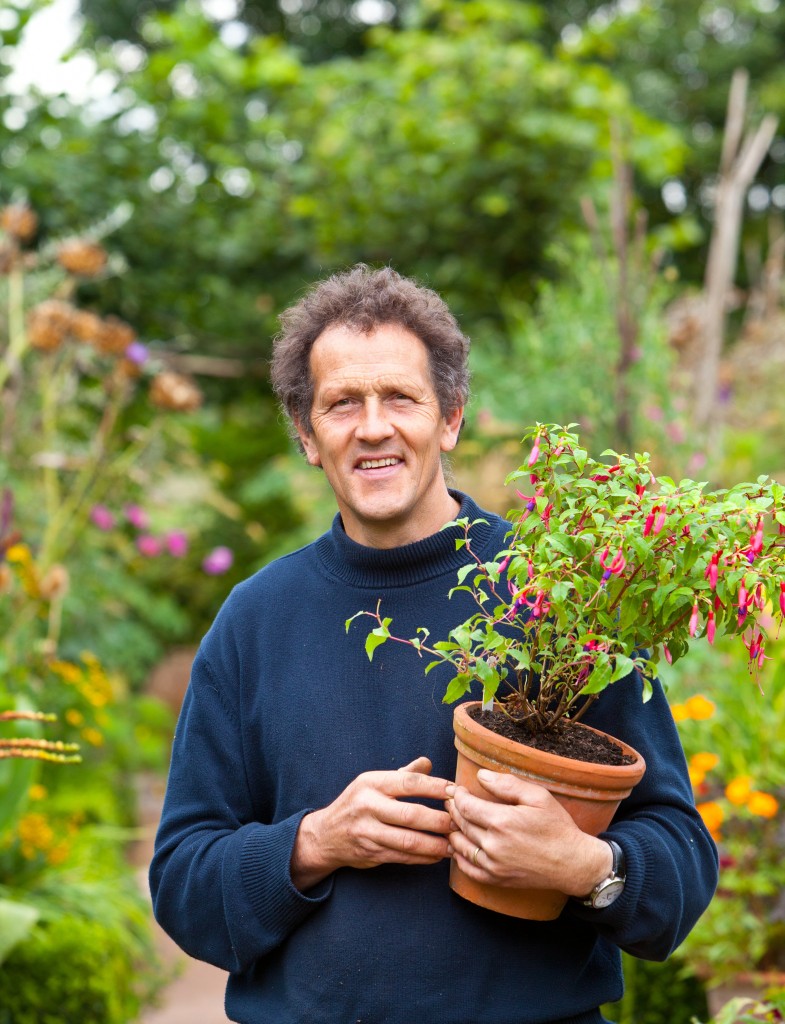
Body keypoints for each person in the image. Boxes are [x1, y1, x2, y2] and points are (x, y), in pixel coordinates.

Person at [150, 265, 718, 1024]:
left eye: (401, 398)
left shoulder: (559, 596)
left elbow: (679, 860)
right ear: (306, 435)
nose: (373, 426)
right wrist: (315, 841)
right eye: (341, 403)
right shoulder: (255, 622)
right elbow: (184, 886)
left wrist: (583, 866)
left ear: (449, 418)